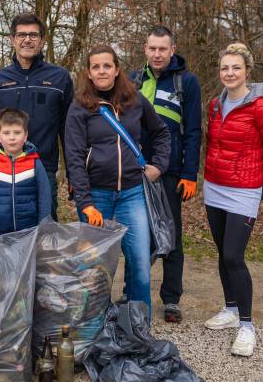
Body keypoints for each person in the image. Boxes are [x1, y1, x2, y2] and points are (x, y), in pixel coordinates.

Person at [65, 44, 170, 322]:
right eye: (96, 66)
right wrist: (85, 203)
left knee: (139, 263)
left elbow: (161, 133)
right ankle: (94, 328)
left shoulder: (134, 100)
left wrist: (158, 166)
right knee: (95, 267)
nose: (102, 71)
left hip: (132, 194)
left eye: (107, 66)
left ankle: (139, 327)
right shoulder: (79, 107)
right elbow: (74, 158)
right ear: (88, 72)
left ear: (117, 69)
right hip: (96, 197)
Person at [202, 42, 263, 356]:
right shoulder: (214, 104)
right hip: (214, 187)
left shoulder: (262, 105)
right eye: (225, 67)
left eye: (236, 67)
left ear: (247, 71)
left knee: (234, 257)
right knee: (221, 253)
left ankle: (247, 326)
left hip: (243, 191)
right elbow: (212, 142)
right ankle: (231, 309)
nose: (229, 72)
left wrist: (253, 172)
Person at [131, 26, 202, 323]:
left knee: (171, 238)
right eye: (152, 48)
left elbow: (194, 131)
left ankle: (171, 298)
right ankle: (134, 291)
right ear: (145, 49)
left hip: (171, 173)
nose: (157, 54)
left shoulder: (186, 82)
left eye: (163, 49)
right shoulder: (134, 80)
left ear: (172, 50)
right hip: (136, 172)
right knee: (138, 237)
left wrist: (190, 173)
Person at [0, 12, 73, 221]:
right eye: (21, 35)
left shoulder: (60, 78)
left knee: (44, 232)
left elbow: (68, 131)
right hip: (5, 170)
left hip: (44, 169)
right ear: (12, 39)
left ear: (42, 40)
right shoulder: (1, 79)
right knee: (6, 229)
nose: (27, 40)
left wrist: (73, 175)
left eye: (33, 35)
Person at [0, 108, 52, 238]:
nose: (12, 137)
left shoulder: (35, 164)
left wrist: (42, 232)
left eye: (17, 132)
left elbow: (44, 200)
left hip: (29, 234)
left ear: (26, 135)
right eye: (6, 133)